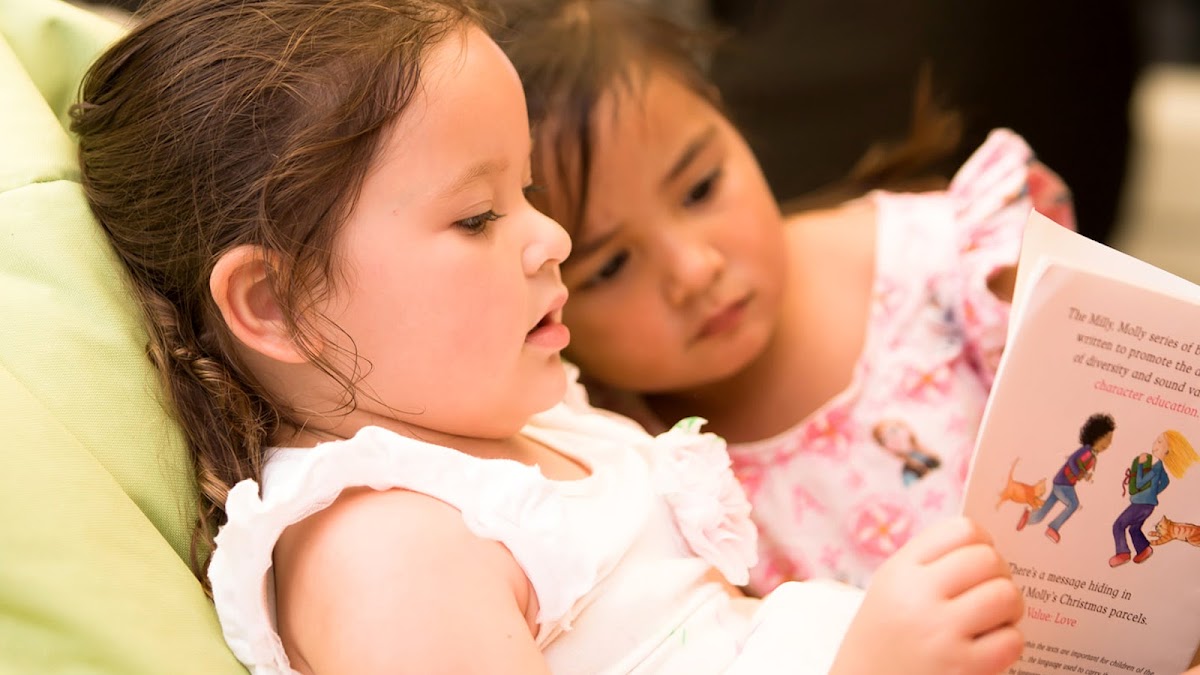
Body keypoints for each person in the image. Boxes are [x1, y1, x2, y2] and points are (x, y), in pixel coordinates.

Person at [70, 0, 1025, 672]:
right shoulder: (385, 549)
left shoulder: (524, 427)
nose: (552, 239)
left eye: (525, 190)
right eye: (478, 217)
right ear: (275, 304)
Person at [498, 0, 1075, 591]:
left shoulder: (955, 265)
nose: (695, 270)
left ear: (729, 123)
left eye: (699, 189)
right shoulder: (617, 464)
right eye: (612, 264)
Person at [1016, 413, 1116, 543]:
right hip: (1064, 484)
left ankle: (1029, 517)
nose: (1108, 444)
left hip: (1061, 482)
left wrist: (1085, 475)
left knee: (1044, 510)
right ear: (1097, 436)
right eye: (1107, 439)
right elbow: (1072, 461)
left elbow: (1079, 467)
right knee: (1073, 504)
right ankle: (1053, 527)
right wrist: (1079, 474)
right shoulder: (1086, 451)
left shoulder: (1091, 456)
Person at [1110, 429, 1199, 567]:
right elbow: (1165, 482)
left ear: (1167, 451)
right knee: (1134, 528)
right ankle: (1144, 550)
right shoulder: (1159, 466)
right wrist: (1153, 493)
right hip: (1149, 506)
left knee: (1118, 525)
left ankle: (1123, 553)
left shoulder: (1152, 466)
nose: (1155, 444)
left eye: (1160, 442)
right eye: (1156, 440)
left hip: (1139, 504)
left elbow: (1139, 483)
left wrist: (1140, 465)